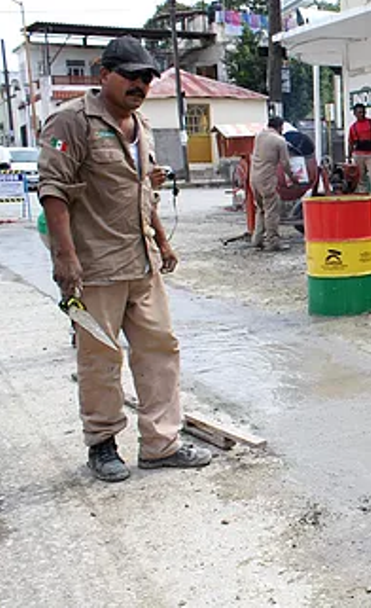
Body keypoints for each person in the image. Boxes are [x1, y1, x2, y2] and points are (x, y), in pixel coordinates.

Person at [38, 35, 212, 483]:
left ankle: (160, 444)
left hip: (142, 262)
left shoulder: (142, 125)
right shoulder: (70, 123)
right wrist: (65, 258)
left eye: (147, 77)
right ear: (104, 75)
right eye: (131, 75)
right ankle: (102, 444)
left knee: (160, 350)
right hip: (95, 266)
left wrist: (162, 241)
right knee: (100, 358)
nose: (140, 84)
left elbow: (140, 188)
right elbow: (53, 191)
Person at [249, 116, 296, 252]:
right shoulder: (279, 141)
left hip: (254, 178)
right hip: (267, 179)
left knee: (261, 209)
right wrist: (293, 178)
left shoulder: (259, 136)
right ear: (280, 127)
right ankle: (273, 242)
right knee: (272, 210)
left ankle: (257, 239)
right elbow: (285, 164)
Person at [347, 103, 371, 194]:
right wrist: (349, 157)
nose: (362, 114)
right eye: (359, 112)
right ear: (355, 114)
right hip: (358, 154)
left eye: (363, 112)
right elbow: (350, 143)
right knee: (360, 177)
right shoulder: (353, 127)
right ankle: (362, 195)